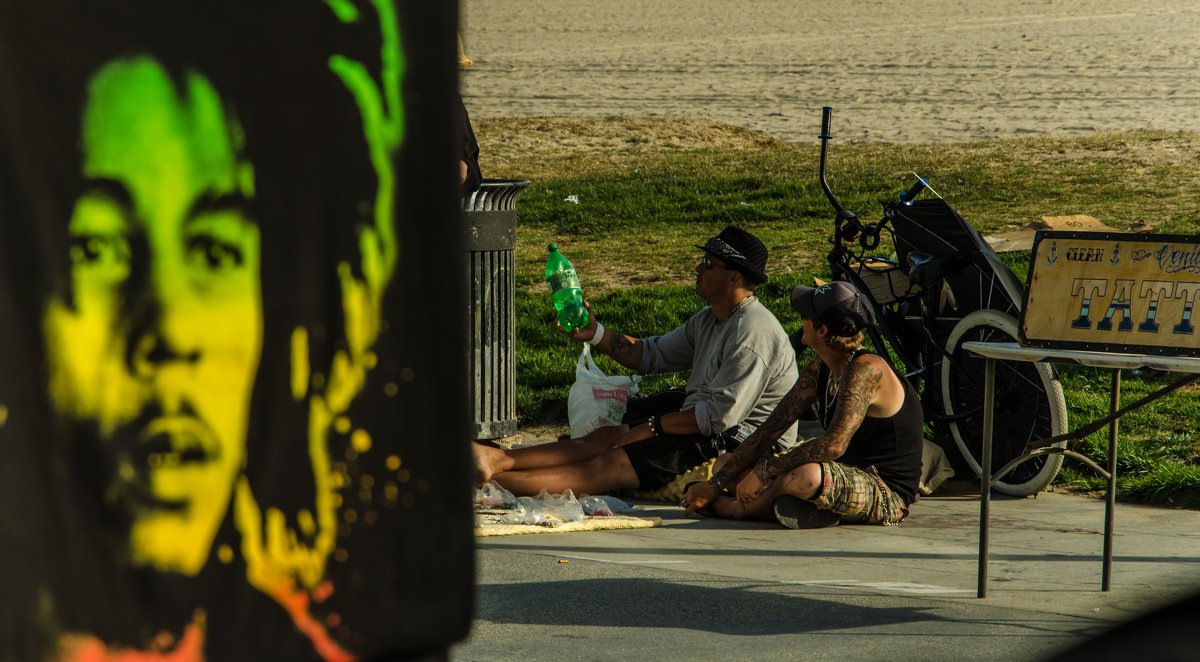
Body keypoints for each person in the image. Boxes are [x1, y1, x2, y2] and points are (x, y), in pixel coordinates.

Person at [475, 226, 799, 495]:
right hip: (701, 419)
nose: (698, 268)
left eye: (708, 263)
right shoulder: (709, 320)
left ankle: (483, 483)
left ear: (733, 278)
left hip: (742, 441)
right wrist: (595, 332)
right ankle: (499, 459)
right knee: (606, 437)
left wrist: (653, 427)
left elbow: (721, 417)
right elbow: (651, 355)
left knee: (609, 466)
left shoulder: (752, 332)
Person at [682, 281, 924, 528]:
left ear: (822, 331)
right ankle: (795, 505)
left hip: (883, 492)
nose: (801, 321)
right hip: (836, 473)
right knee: (725, 464)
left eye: (806, 316)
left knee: (805, 477)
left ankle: (734, 509)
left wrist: (764, 472)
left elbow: (833, 446)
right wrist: (716, 483)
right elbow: (771, 429)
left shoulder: (866, 371)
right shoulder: (821, 368)